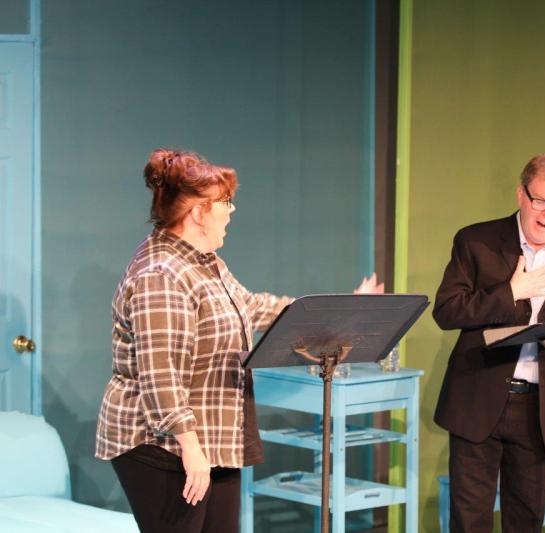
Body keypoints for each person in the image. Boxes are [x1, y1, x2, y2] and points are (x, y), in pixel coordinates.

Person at [96, 148, 382, 532]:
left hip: (211, 436)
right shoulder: (162, 274)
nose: (231, 211)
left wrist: (341, 312)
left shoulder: (205, 263)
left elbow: (254, 307)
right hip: (164, 444)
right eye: (225, 202)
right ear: (198, 211)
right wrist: (190, 448)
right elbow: (160, 373)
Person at [432, 152, 545, 532]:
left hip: (541, 405)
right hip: (479, 398)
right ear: (520, 194)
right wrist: (510, 291)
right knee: (470, 521)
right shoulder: (476, 241)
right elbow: (446, 311)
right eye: (540, 201)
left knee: (527, 520)